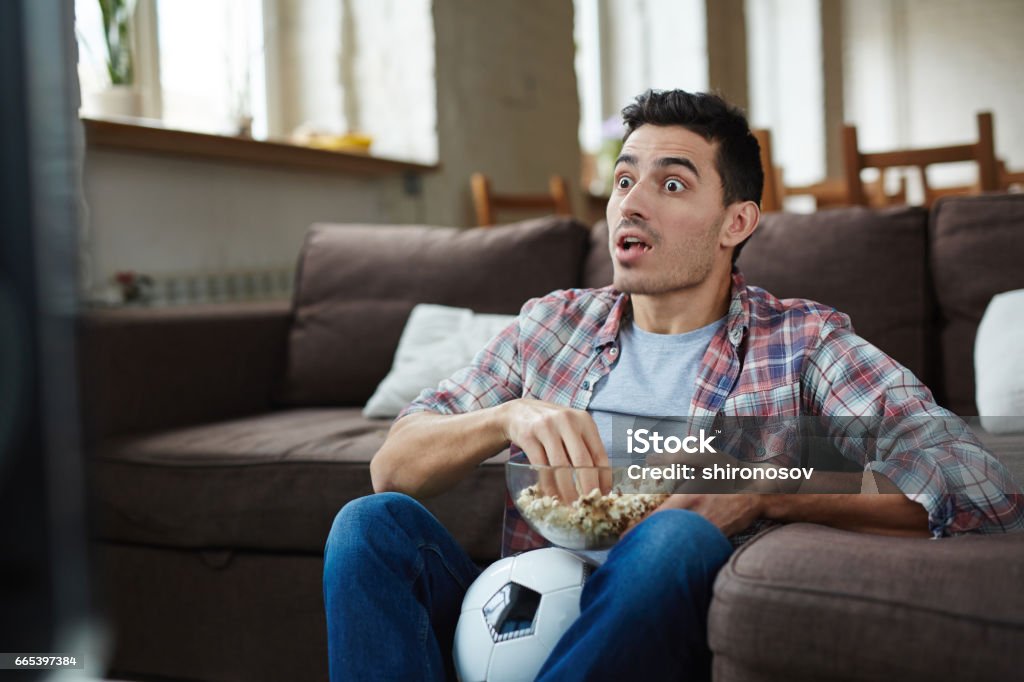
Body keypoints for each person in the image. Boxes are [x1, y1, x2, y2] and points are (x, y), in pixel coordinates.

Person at [322, 89, 1023, 681]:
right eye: (625, 180)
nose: (633, 203)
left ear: (736, 222)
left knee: (677, 539)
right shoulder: (553, 325)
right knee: (368, 525)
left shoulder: (802, 343)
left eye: (673, 183)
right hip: (514, 619)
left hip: (658, 620)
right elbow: (393, 465)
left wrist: (765, 488)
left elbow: (974, 482)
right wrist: (508, 417)